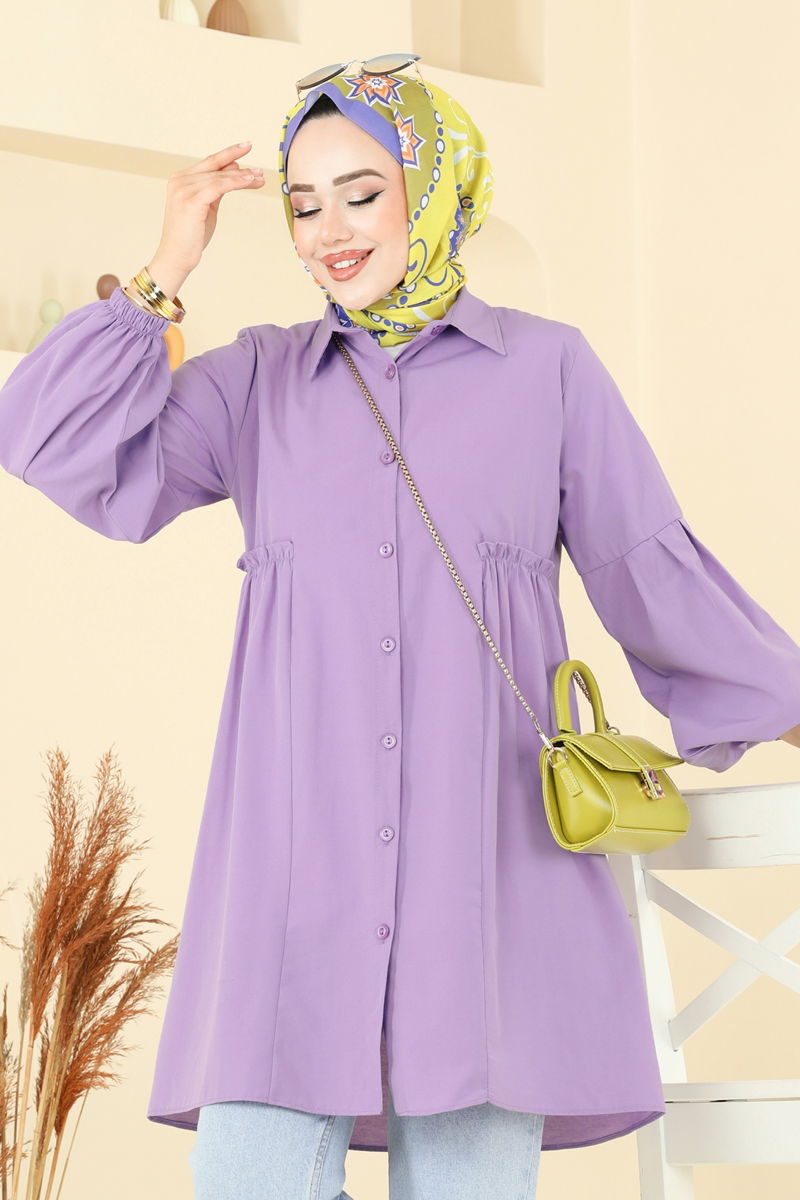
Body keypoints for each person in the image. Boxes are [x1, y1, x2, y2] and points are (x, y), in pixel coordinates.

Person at [1, 55, 800, 1200]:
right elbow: (52, 446)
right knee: (249, 1178)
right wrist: (166, 267)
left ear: (433, 190)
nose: (329, 230)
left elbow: (644, 567)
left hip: (488, 871)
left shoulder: (547, 369)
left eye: (361, 193)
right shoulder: (258, 381)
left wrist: (779, 708)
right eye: (302, 204)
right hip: (290, 870)